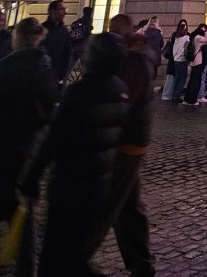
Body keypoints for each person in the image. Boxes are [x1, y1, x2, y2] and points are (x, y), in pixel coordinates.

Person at [17, 32, 129, 277]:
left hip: (69, 186)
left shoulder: (79, 92)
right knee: (75, 254)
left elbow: (53, 139)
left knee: (54, 258)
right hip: (98, 187)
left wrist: (32, 177)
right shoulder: (121, 90)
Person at [0, 17, 57, 277]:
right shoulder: (45, 65)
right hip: (26, 148)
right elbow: (47, 109)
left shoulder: (7, 65)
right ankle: (26, 268)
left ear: (16, 37)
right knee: (19, 210)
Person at [85, 14, 156, 277]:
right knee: (129, 206)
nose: (112, 34)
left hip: (127, 143)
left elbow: (123, 103)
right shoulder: (133, 56)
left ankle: (76, 257)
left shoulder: (133, 61)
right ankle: (141, 263)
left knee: (107, 203)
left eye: (116, 31)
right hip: (131, 141)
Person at [42, 0, 73, 88]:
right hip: (43, 73)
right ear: (52, 11)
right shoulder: (42, 29)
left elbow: (68, 52)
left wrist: (63, 73)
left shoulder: (64, 31)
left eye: (65, 9)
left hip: (58, 74)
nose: (64, 12)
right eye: (61, 9)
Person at [183, 22, 207, 106]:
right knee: (195, 82)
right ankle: (191, 100)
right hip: (198, 62)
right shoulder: (198, 38)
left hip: (194, 61)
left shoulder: (194, 36)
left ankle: (187, 99)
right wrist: (206, 31)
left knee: (192, 81)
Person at [170, 20, 190, 102]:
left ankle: (174, 95)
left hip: (176, 60)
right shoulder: (186, 37)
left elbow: (174, 49)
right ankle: (177, 96)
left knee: (177, 79)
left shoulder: (176, 37)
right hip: (182, 60)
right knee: (182, 79)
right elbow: (186, 49)